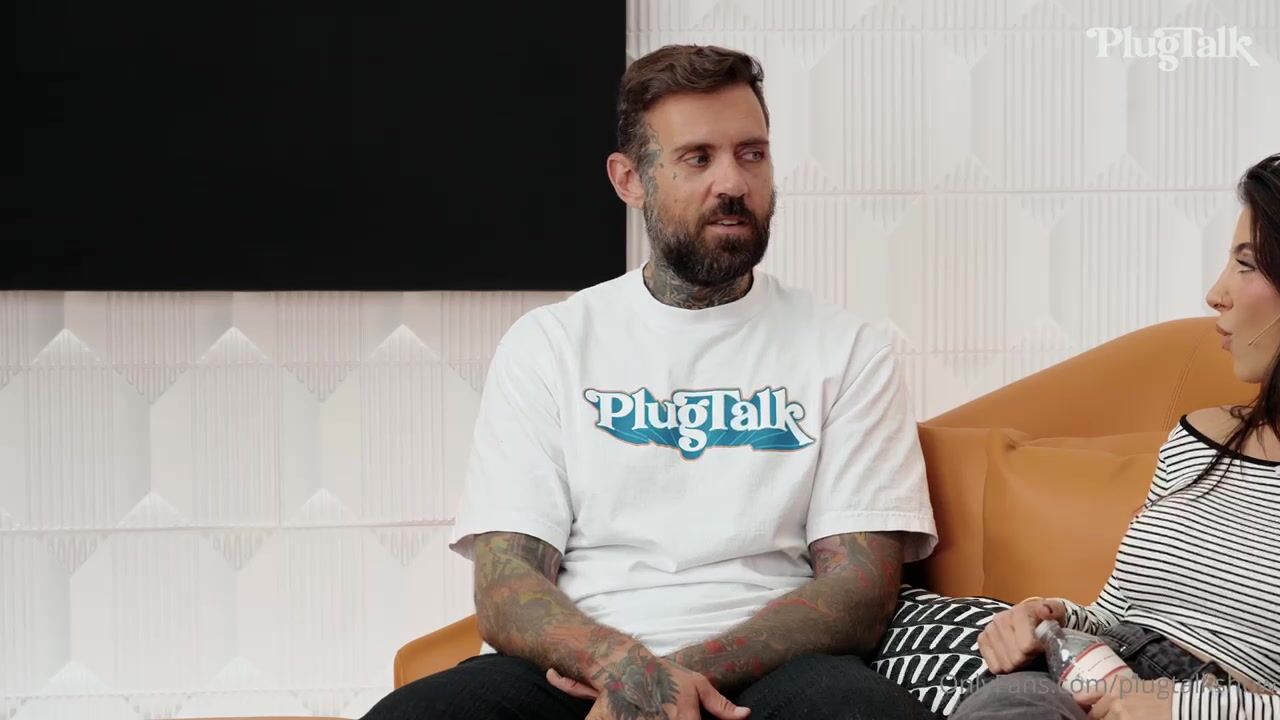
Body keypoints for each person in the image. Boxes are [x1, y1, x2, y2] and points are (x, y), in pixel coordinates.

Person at [360, 44, 939, 720]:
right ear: (629, 179)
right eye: (698, 158)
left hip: (775, 672)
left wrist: (671, 681)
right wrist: (621, 667)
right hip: (574, 672)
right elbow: (505, 580)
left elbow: (859, 591)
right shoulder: (551, 344)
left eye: (751, 153)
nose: (733, 182)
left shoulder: (848, 350)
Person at [952, 153, 1280, 720]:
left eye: (1246, 265)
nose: (1215, 293)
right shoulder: (1200, 437)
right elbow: (1120, 610)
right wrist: (1048, 616)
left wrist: (1181, 707)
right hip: (1083, 679)